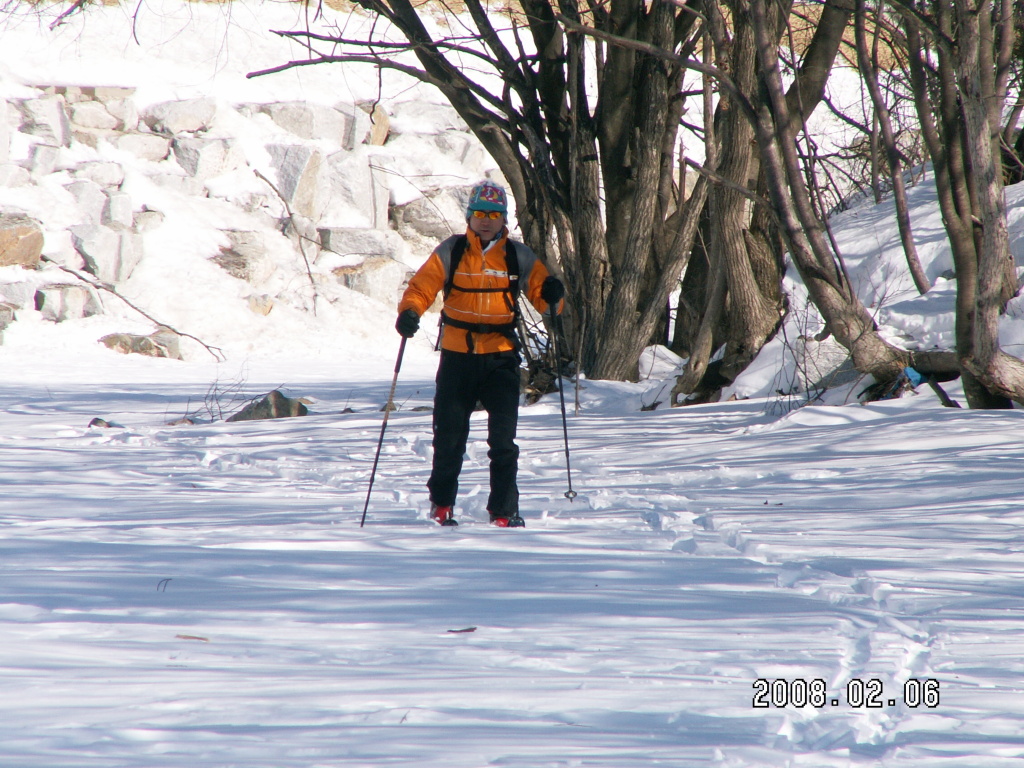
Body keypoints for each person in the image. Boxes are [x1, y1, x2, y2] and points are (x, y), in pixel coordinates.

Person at [395, 181, 565, 527]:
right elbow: (421, 287)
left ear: (504, 219)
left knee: (503, 441)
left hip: (501, 358)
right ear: (469, 217)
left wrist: (553, 294)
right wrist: (410, 312)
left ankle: (503, 510)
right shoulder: (452, 250)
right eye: (479, 214)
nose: (486, 221)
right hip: (458, 357)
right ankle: (441, 504)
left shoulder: (518, 255)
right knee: (449, 436)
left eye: (494, 215)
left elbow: (548, 304)